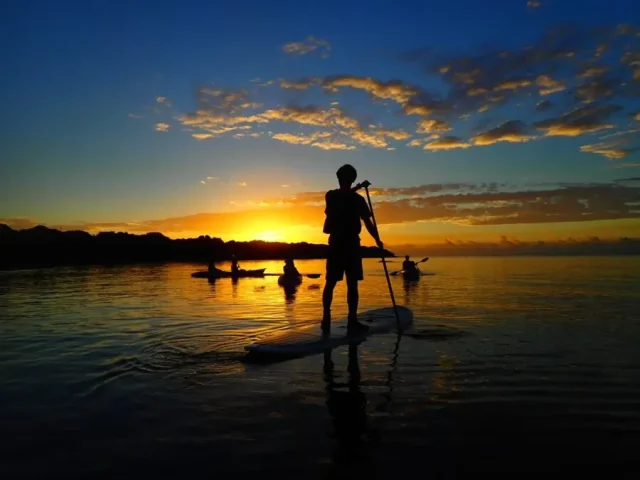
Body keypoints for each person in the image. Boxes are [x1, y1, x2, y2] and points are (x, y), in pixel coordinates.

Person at [322, 164, 383, 333]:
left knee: (350, 283)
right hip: (340, 244)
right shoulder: (333, 196)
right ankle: (327, 318)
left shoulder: (354, 199)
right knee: (333, 282)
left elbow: (368, 222)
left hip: (348, 244)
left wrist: (377, 239)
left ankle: (351, 319)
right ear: (352, 179)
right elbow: (345, 197)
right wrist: (358, 188)